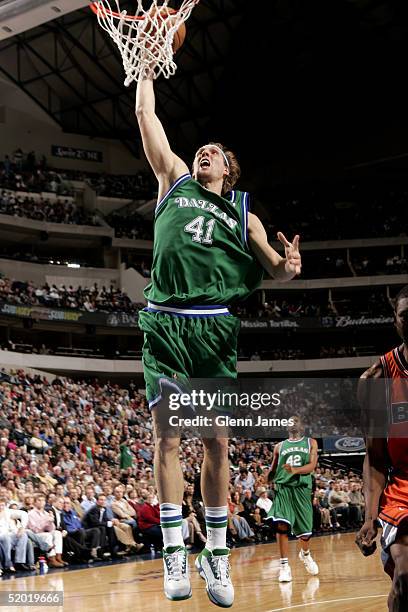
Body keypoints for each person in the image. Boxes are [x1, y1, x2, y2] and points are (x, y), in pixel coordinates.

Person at [135, 68, 301, 607]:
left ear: (229, 171)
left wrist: (290, 269)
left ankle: (217, 554)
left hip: (214, 327)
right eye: (201, 148)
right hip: (165, 322)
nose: (204, 152)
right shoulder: (174, 180)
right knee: (166, 438)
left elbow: (274, 270)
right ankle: (173, 550)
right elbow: (146, 116)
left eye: (215, 152)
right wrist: (144, 65)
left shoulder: (243, 212)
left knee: (217, 442)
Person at [356, 285, 408, 610]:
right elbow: (375, 457)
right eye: (406, 316)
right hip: (404, 489)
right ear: (396, 320)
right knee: (406, 577)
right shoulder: (379, 378)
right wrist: (369, 517)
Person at [266, 416, 319, 582]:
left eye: (296, 420)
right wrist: (266, 478)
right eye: (289, 421)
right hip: (283, 489)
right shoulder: (279, 447)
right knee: (281, 525)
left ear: (302, 426)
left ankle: (305, 554)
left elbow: (311, 466)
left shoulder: (311, 442)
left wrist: (295, 470)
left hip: (302, 490)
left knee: (305, 533)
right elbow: (273, 469)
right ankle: (284, 567)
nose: (292, 423)